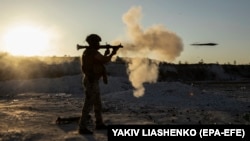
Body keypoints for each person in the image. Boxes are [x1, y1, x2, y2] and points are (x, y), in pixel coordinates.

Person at [78, 34, 119, 134]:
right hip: (91, 80)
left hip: (92, 80)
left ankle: (99, 123)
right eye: (97, 42)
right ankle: (82, 127)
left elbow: (99, 61)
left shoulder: (89, 52)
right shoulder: (91, 52)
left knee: (97, 104)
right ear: (93, 42)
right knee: (88, 104)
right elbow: (104, 60)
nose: (99, 44)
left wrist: (106, 53)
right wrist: (113, 53)